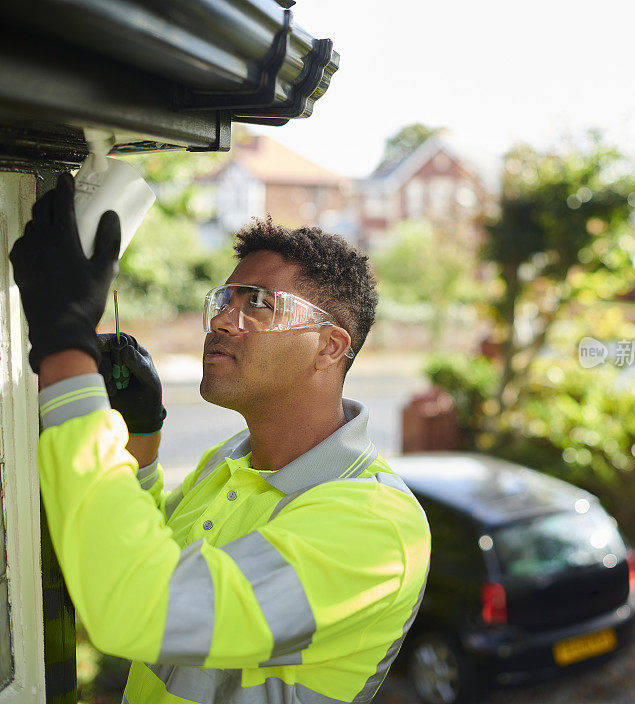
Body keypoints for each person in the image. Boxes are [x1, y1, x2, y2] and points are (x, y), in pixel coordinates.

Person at [11, 173, 430, 704]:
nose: (222, 322)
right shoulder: (233, 461)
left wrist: (63, 345)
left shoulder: (378, 529)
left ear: (329, 348)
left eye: (257, 304)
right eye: (224, 299)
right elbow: (134, 555)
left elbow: (136, 608)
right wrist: (142, 438)